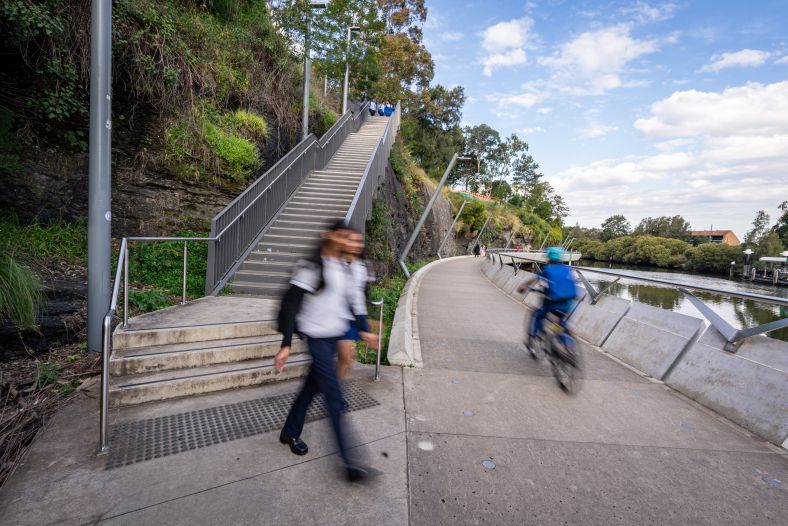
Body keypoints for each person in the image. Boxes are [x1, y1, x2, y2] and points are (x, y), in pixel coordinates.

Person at [275, 220, 378, 482]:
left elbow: (354, 300)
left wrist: (364, 329)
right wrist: (286, 344)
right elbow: (289, 305)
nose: (348, 242)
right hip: (316, 338)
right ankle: (350, 462)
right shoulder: (312, 266)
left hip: (333, 335)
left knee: (310, 388)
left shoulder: (345, 267)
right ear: (329, 236)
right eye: (343, 236)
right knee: (333, 397)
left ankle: (290, 431)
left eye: (350, 238)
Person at [518, 247, 578, 349]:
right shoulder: (568, 269)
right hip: (568, 303)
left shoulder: (548, 270)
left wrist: (523, 287)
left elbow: (535, 280)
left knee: (538, 315)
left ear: (549, 257)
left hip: (552, 303)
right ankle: (568, 345)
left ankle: (533, 337)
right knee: (560, 321)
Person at [337, 230, 375, 381]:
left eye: (358, 241)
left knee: (347, 358)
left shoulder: (362, 266)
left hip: (354, 317)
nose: (356, 245)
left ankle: (334, 393)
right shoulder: (335, 263)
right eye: (352, 241)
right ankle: (333, 394)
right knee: (345, 357)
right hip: (337, 317)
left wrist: (365, 322)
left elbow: (362, 296)